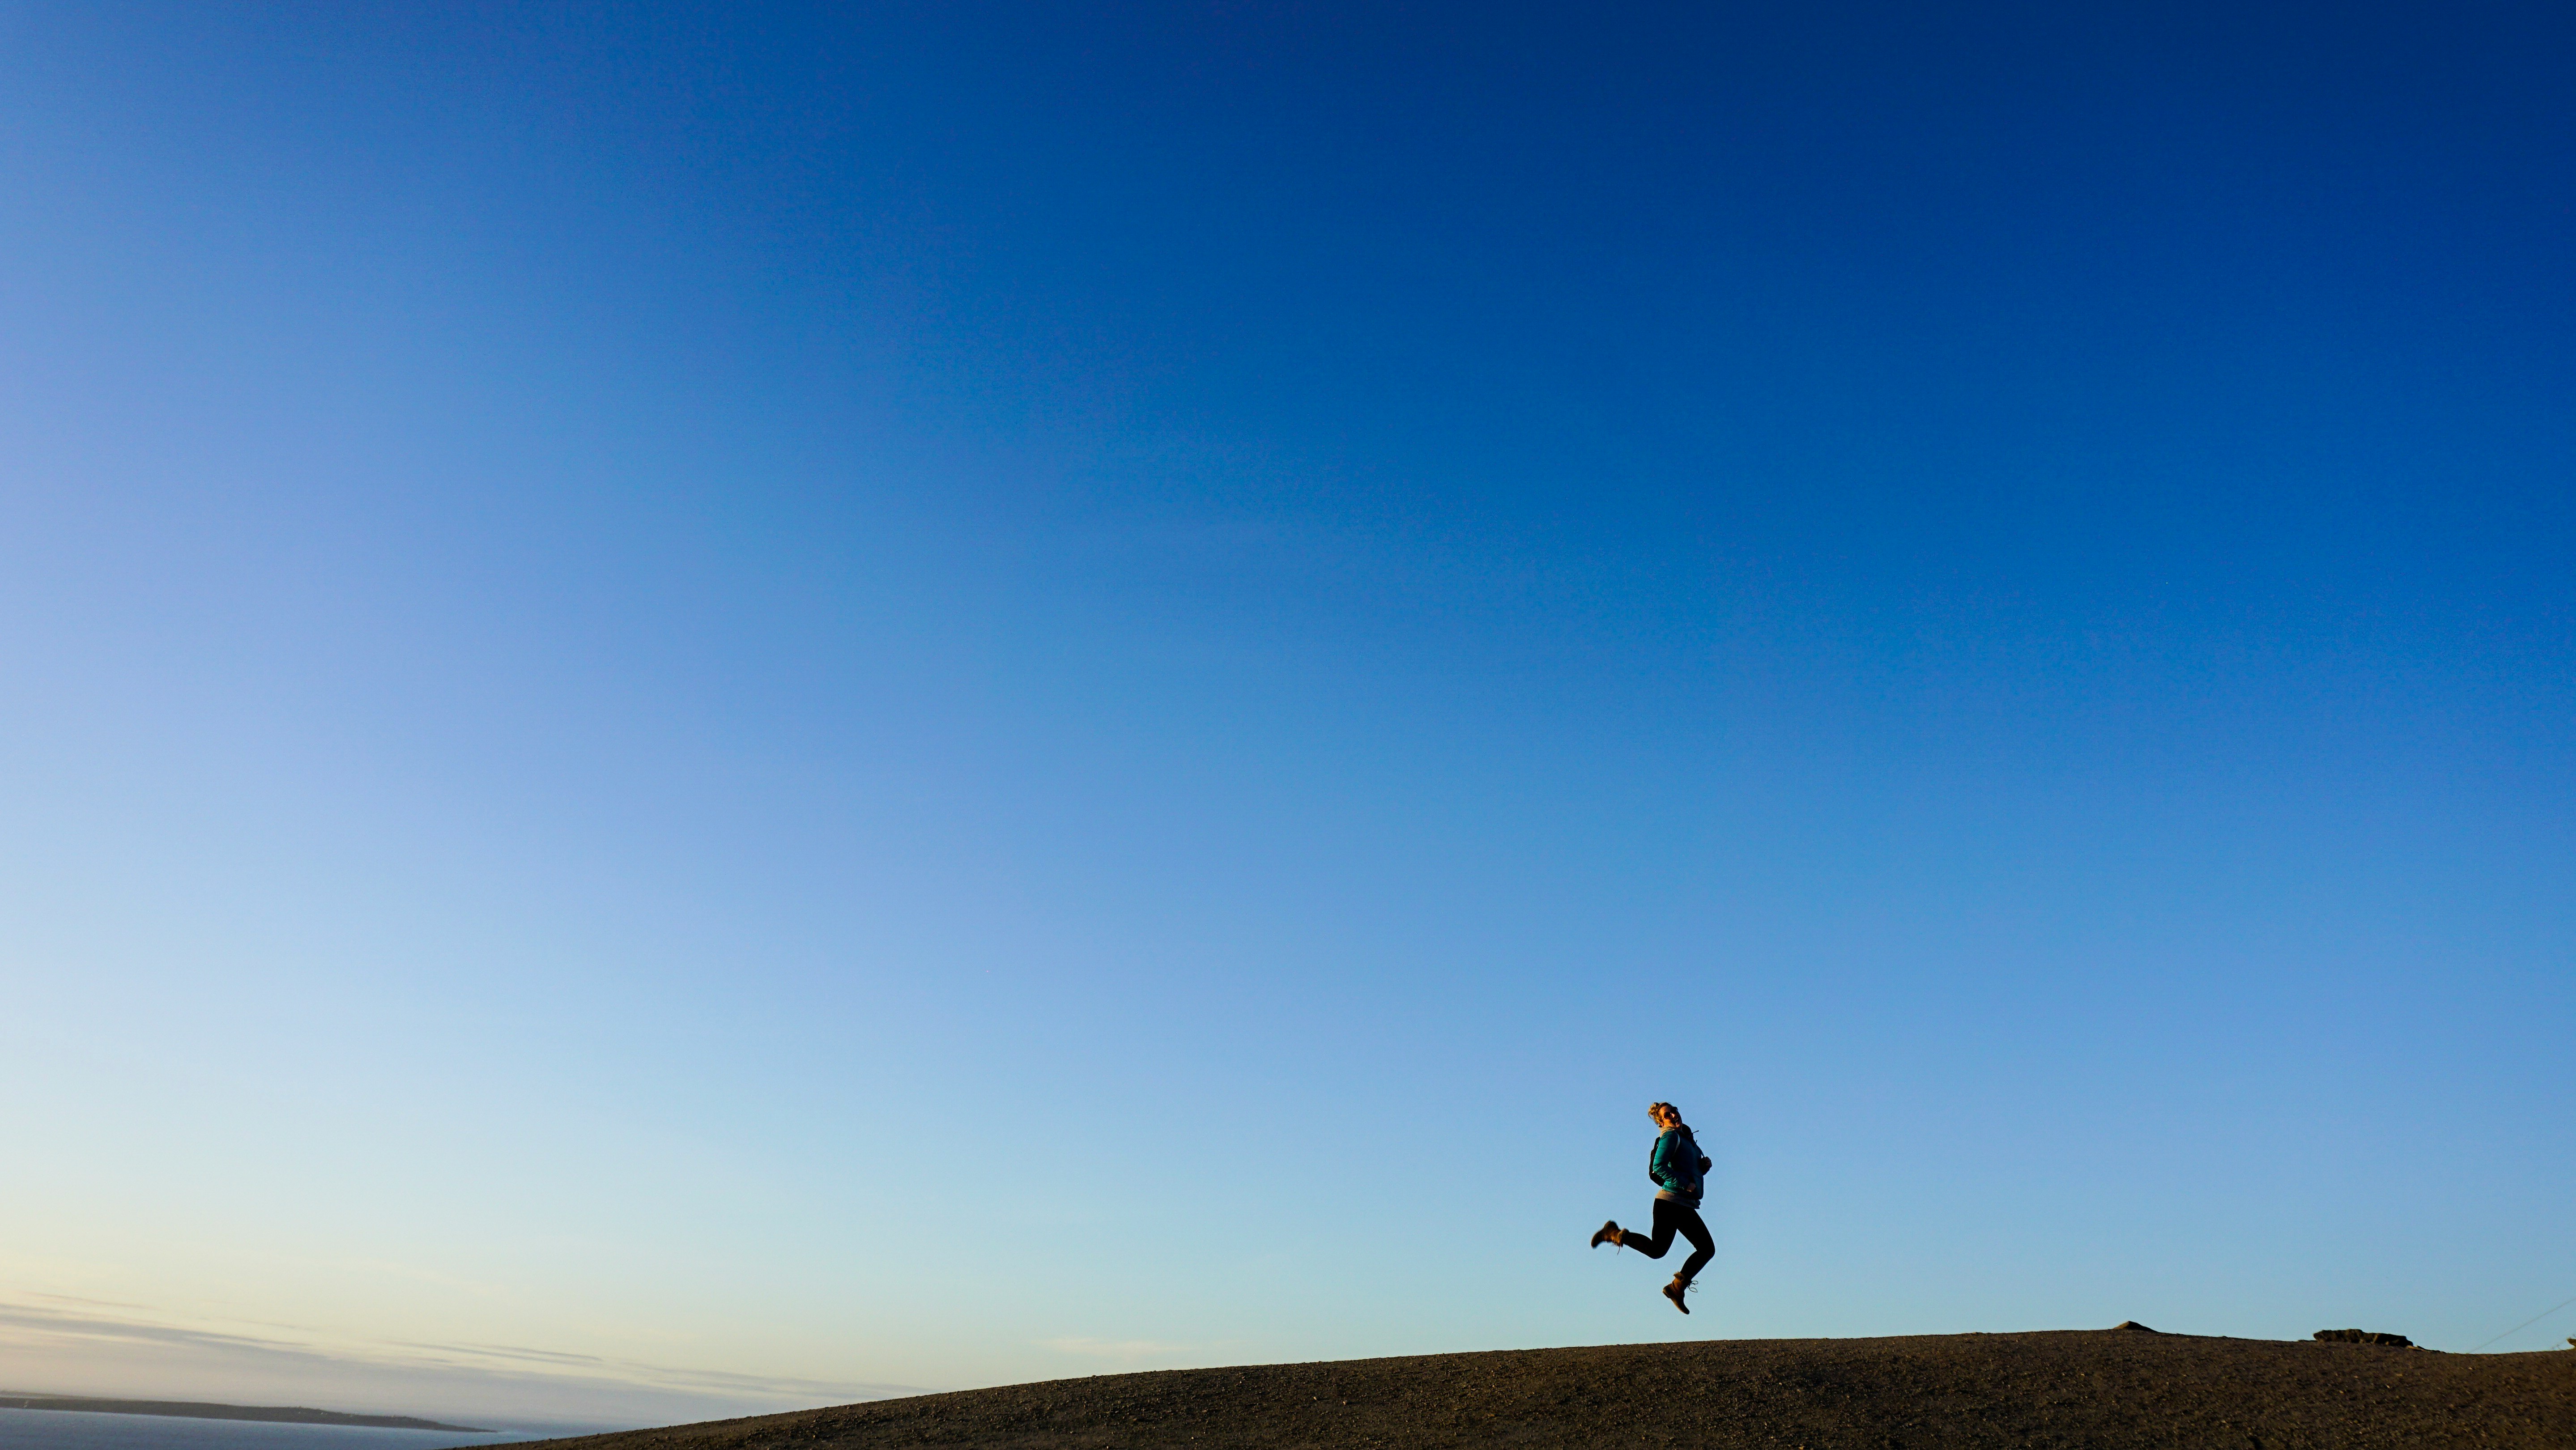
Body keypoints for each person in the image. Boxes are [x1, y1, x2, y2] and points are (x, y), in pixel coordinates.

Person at [1588, 1101, 1714, 1313]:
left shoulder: (1686, 1139)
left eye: (1674, 1111)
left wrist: (1702, 1168)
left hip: (1683, 1203)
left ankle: (1676, 1288)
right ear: (1661, 1122)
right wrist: (1686, 1184)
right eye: (1668, 1115)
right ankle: (1614, 1234)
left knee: (1667, 1250)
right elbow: (1658, 1168)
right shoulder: (1670, 1137)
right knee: (1695, 1249)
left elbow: (1683, 1168)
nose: (1673, 1115)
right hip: (1670, 1203)